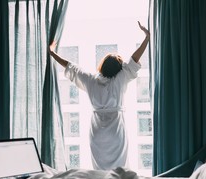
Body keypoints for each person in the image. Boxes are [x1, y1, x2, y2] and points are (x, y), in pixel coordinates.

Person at [49, 21, 150, 170]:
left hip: (97, 131)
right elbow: (134, 59)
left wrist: (52, 53)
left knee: (100, 170)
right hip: (116, 130)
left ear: (102, 65)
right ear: (118, 68)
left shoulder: (91, 80)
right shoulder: (120, 79)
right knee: (119, 168)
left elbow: (70, 66)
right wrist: (147, 38)